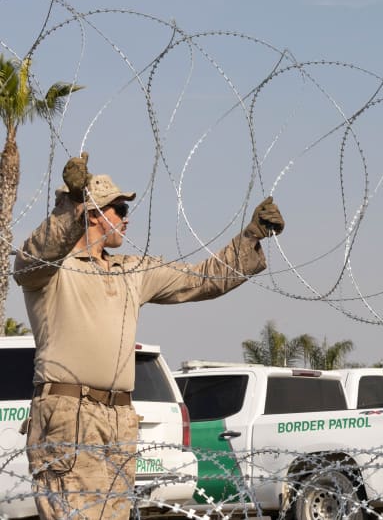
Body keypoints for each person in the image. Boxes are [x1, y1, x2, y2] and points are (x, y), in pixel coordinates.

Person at [13, 153, 285, 520]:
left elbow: (202, 278)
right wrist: (72, 205)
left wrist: (251, 235)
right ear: (92, 214)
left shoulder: (131, 271)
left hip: (119, 416)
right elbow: (34, 256)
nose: (126, 218)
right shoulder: (50, 271)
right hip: (67, 415)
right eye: (119, 210)